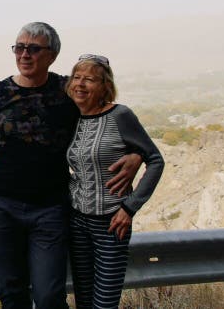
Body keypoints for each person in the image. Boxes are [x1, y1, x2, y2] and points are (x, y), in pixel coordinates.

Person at [0, 22, 140, 309]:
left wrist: (135, 153)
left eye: (33, 48)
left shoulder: (68, 91)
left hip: (50, 209)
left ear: (52, 55)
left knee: (48, 295)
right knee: (12, 292)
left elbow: (106, 118)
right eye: (19, 47)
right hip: (1, 206)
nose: (24, 54)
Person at [65, 54, 164, 309]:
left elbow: (155, 160)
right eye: (76, 77)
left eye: (90, 79)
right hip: (77, 222)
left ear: (105, 86)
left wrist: (130, 207)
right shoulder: (69, 118)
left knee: (105, 303)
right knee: (84, 301)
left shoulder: (120, 115)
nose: (81, 84)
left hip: (112, 222)